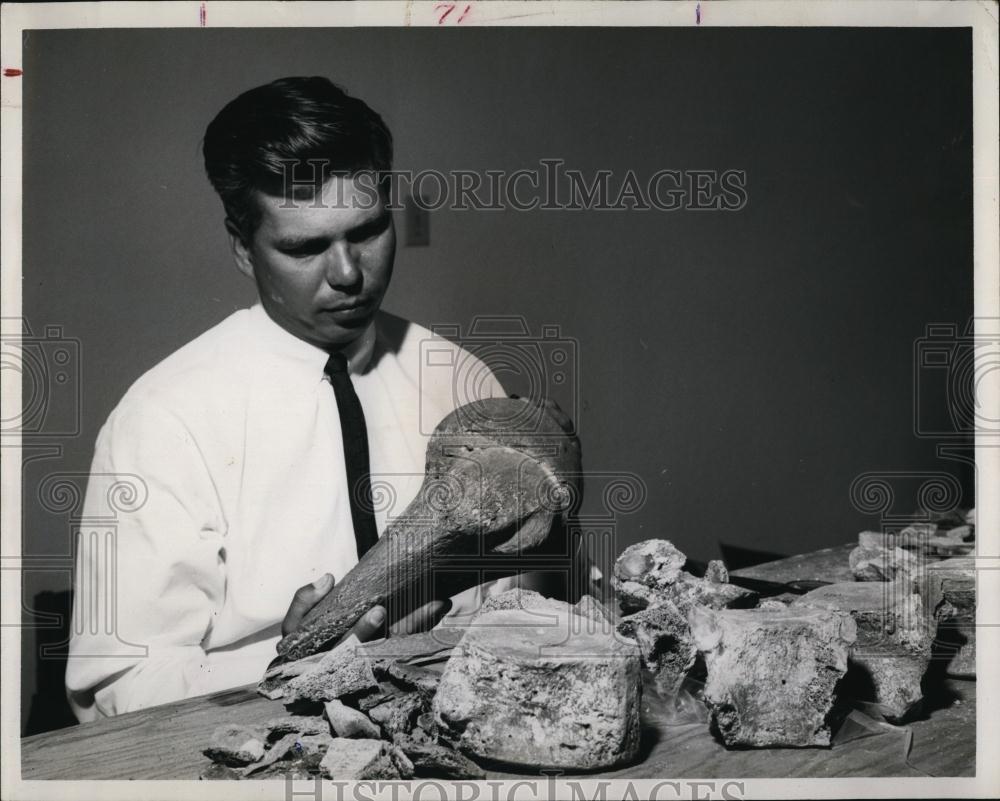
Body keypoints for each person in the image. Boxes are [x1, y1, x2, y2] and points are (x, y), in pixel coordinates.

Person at [64, 76, 537, 720]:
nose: (347, 273)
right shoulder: (162, 419)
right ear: (241, 246)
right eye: (306, 246)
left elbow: (543, 594)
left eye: (367, 231)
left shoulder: (464, 381)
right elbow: (115, 689)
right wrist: (292, 662)